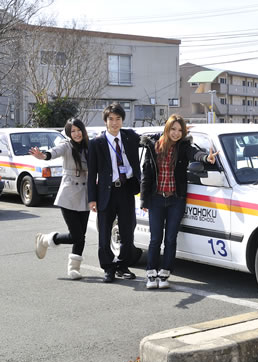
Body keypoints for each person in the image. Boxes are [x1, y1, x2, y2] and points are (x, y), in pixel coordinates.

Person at [140, 115, 218, 289]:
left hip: (176, 200)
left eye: (180, 130)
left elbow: (195, 154)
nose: (176, 133)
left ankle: (165, 272)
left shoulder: (183, 147)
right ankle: (151, 273)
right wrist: (144, 200)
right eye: (173, 129)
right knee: (155, 239)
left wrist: (207, 158)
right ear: (167, 129)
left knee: (170, 239)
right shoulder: (153, 147)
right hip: (156, 199)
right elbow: (146, 175)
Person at [87, 102, 141, 283]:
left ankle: (122, 265)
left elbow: (152, 138)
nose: (115, 123)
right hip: (106, 192)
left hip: (126, 190)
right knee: (104, 232)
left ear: (122, 120)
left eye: (118, 119)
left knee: (128, 230)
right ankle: (108, 268)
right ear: (105, 121)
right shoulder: (97, 143)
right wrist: (91, 198)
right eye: (111, 119)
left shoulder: (130, 137)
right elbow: (91, 173)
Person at [31, 118, 90, 279]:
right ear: (69, 133)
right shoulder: (66, 145)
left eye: (79, 130)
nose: (76, 134)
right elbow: (54, 152)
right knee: (76, 235)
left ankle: (73, 269)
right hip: (69, 193)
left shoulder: (89, 146)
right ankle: (46, 239)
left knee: (81, 235)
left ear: (83, 131)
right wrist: (43, 156)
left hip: (85, 195)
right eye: (73, 131)